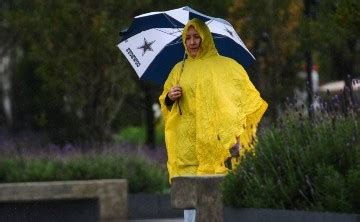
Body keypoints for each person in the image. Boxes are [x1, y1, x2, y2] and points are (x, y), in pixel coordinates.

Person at [159, 19, 267, 220]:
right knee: (190, 204)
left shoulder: (227, 67)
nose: (192, 42)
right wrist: (169, 97)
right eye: (188, 38)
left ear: (205, 37)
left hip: (217, 147)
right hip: (187, 148)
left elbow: (244, 100)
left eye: (196, 37)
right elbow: (165, 102)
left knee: (216, 200)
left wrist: (237, 134)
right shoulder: (179, 70)